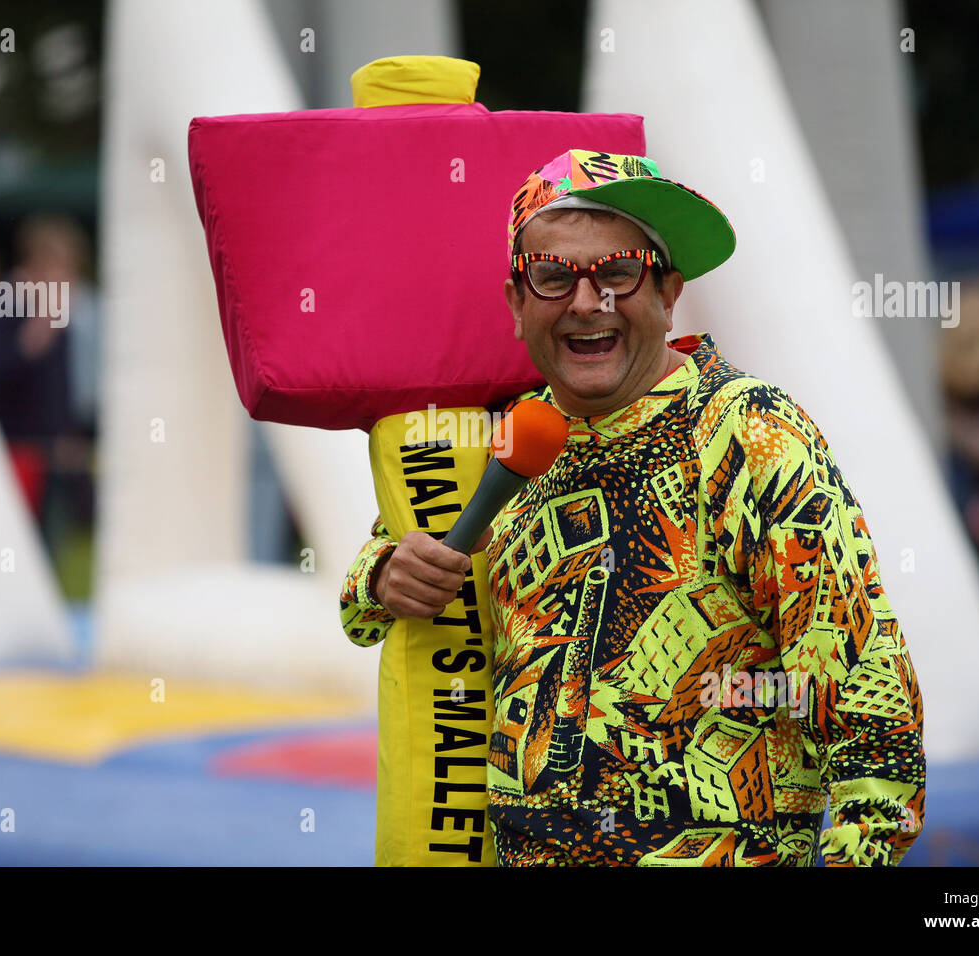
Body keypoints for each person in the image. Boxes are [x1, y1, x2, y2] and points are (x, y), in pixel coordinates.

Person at [340, 149, 926, 866]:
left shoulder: (748, 433)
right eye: (553, 277)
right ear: (517, 305)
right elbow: (361, 611)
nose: (587, 302)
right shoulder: (502, 441)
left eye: (617, 272)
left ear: (667, 292)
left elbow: (867, 687)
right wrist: (382, 575)